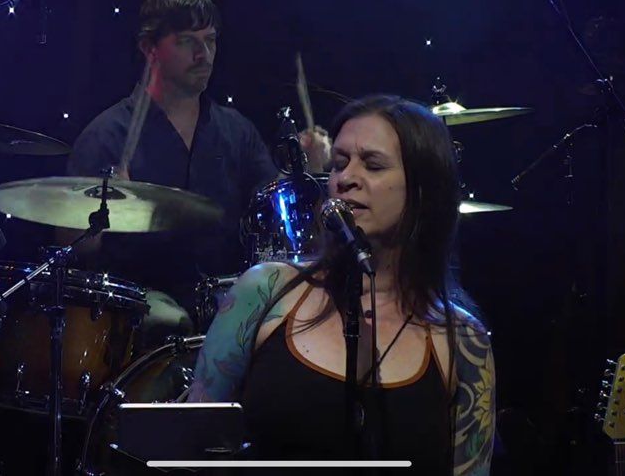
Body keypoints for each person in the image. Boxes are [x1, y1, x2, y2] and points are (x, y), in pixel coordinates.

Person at [188, 95, 495, 475]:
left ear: (423, 188)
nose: (345, 178)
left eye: (373, 164)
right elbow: (190, 449)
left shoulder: (463, 340)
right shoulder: (265, 290)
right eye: (339, 163)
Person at [64, 0, 329, 342]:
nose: (203, 55)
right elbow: (74, 249)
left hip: (227, 316)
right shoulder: (107, 136)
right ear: (149, 48)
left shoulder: (236, 132)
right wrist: (105, 210)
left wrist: (311, 175)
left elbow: (280, 224)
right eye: (187, 41)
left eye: (210, 40)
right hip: (135, 327)